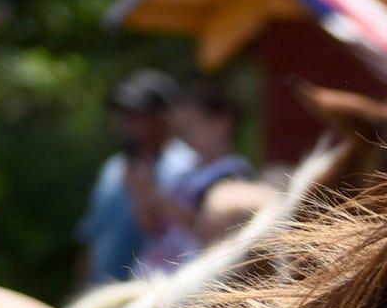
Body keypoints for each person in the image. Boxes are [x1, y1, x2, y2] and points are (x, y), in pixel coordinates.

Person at [75, 70, 194, 289]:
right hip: (101, 295)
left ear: (164, 117)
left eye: (137, 115)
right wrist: (80, 291)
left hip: (152, 297)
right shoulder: (112, 168)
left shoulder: (187, 167)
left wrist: (146, 191)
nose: (126, 123)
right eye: (122, 113)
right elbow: (93, 237)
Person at [131, 79, 260, 277]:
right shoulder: (190, 172)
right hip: (160, 276)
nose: (186, 136)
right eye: (181, 129)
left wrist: (156, 196)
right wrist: (139, 191)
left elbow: (207, 224)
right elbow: (153, 227)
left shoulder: (232, 173)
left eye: (192, 125)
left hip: (190, 282)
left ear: (223, 123)